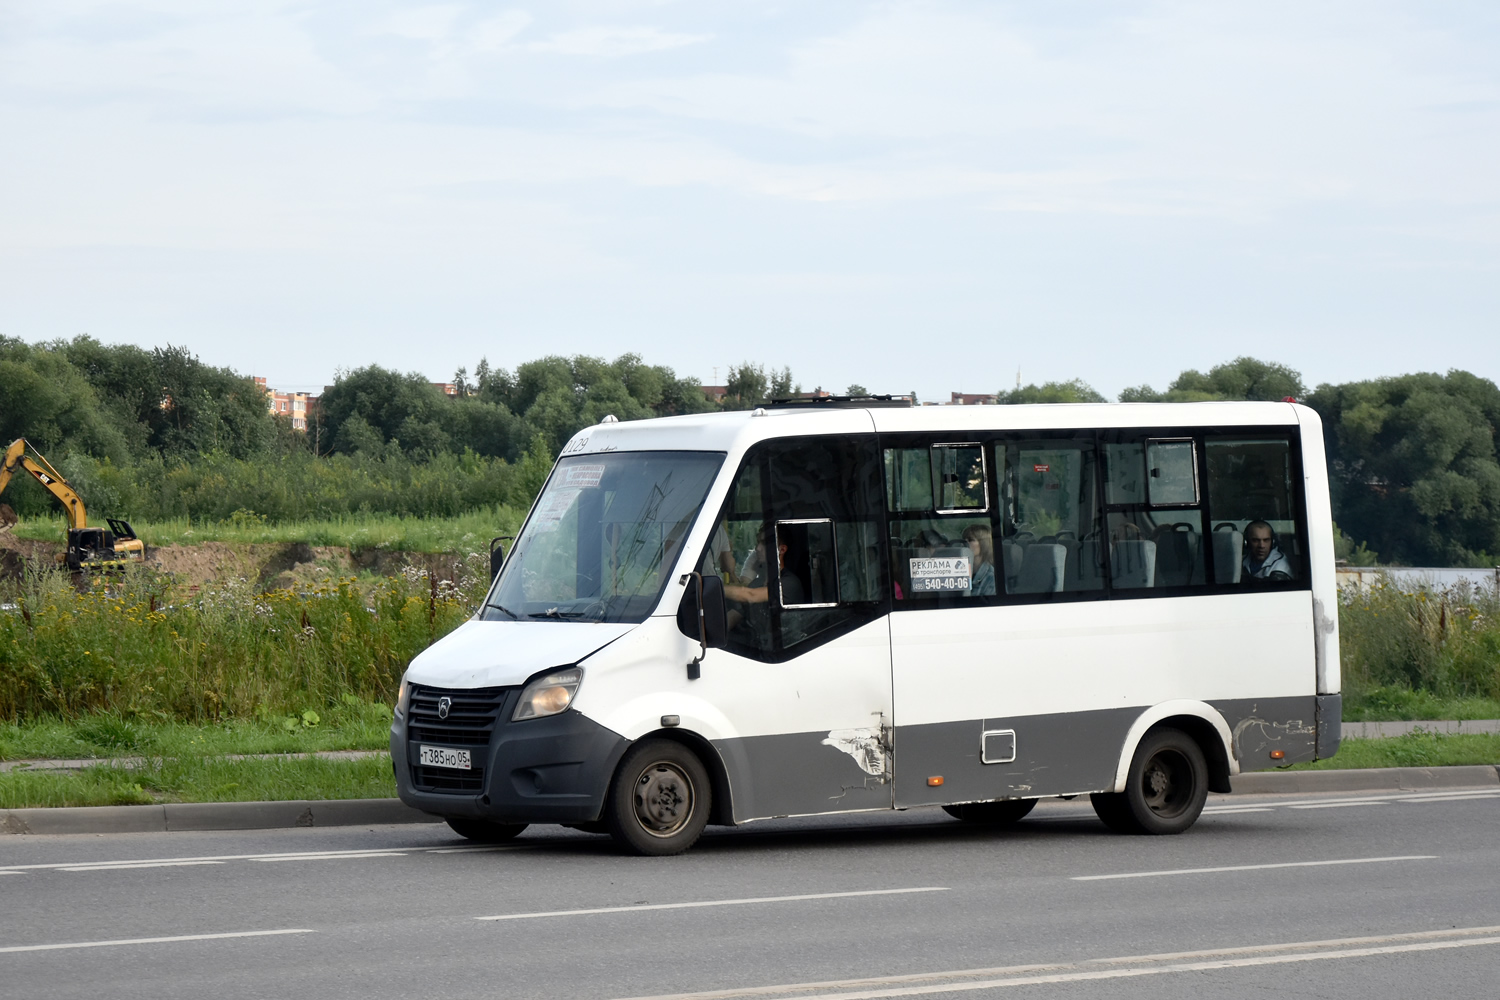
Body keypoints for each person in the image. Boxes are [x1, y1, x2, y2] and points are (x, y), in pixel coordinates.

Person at [962, 523, 996, 596]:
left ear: (984, 544)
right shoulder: (959, 571)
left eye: (971, 540)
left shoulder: (991, 578)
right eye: (964, 540)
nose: (965, 543)